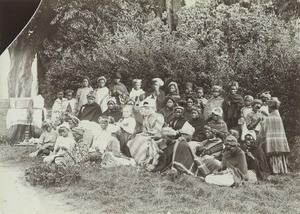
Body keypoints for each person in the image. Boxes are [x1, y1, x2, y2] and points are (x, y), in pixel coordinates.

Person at [257, 98, 290, 174]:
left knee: (273, 154)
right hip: (279, 138)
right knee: (279, 153)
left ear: (270, 108)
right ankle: (281, 169)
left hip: (272, 139)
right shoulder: (277, 115)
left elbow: (264, 127)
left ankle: (275, 170)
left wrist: (262, 122)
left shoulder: (270, 117)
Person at [127, 102, 164, 167]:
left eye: (147, 108)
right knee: (135, 139)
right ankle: (136, 158)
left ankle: (142, 160)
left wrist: (147, 133)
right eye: (145, 109)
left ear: (152, 108)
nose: (146, 110)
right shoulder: (146, 117)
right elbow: (144, 129)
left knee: (142, 140)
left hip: (156, 135)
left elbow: (157, 129)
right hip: (147, 134)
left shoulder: (158, 116)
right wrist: (143, 133)